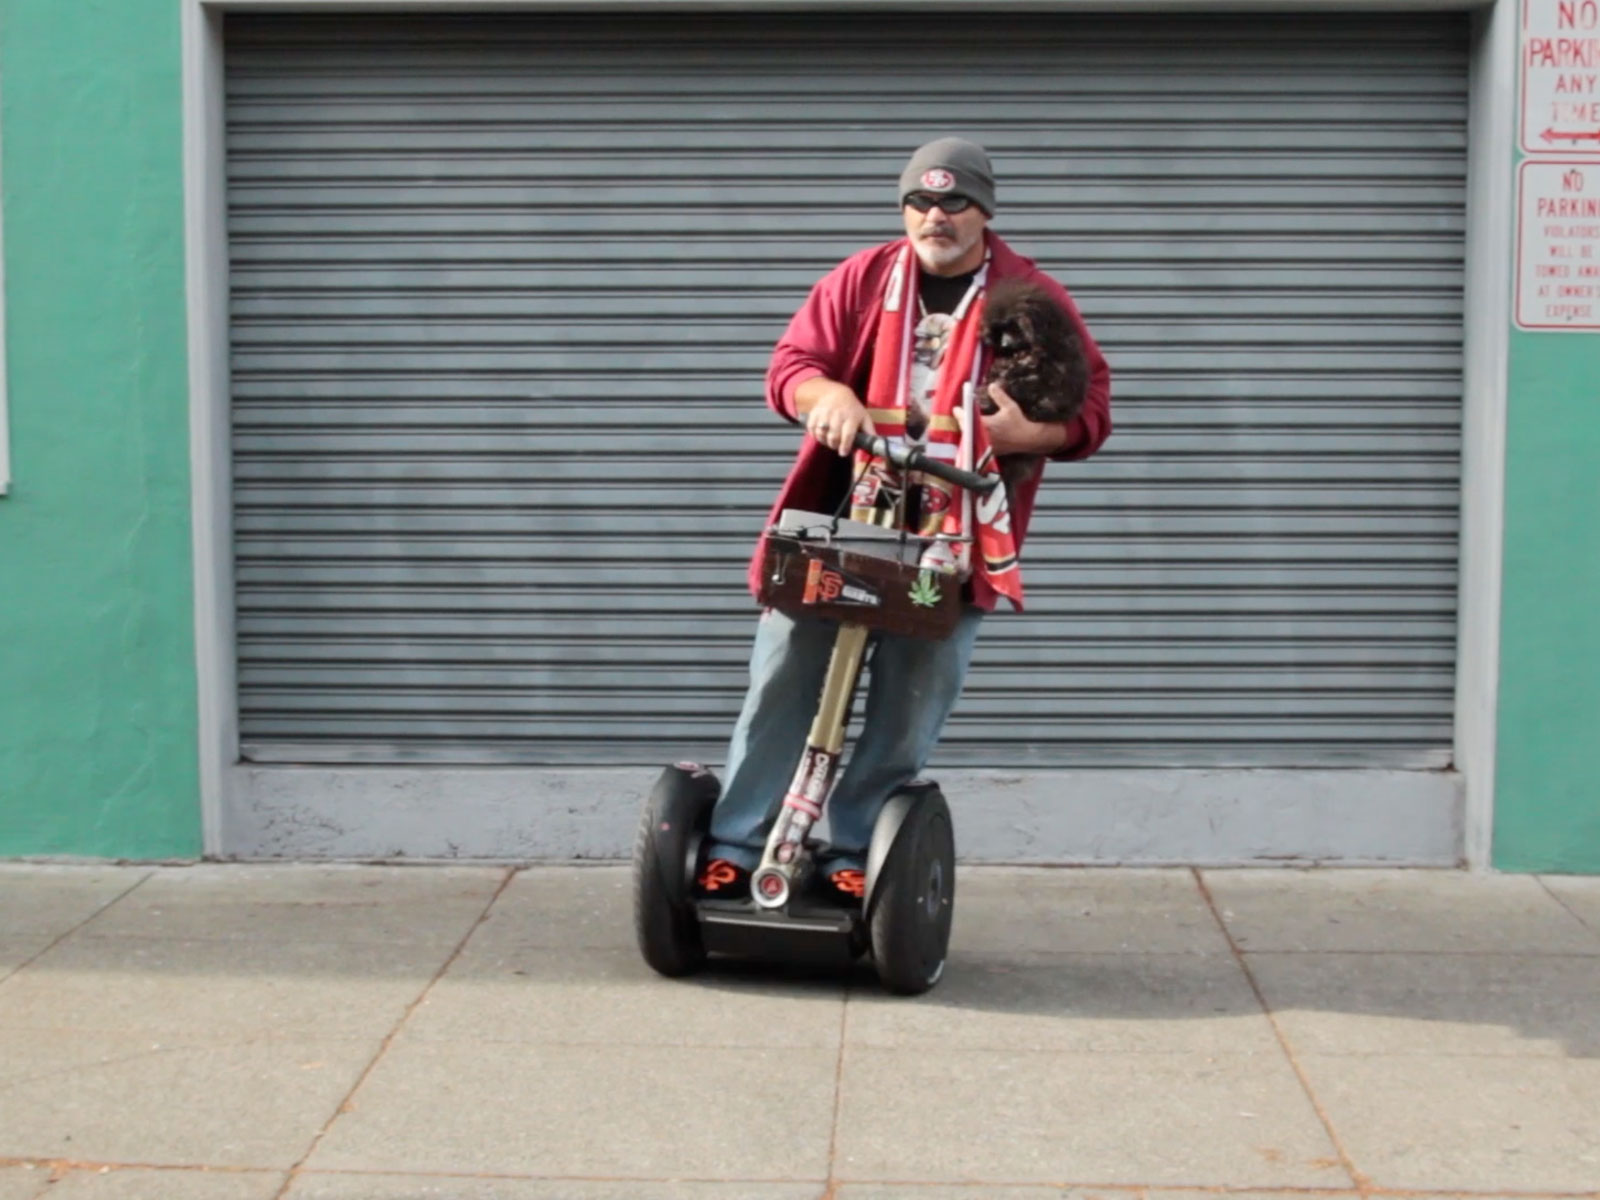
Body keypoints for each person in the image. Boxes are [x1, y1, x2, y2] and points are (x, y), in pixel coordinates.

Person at [697, 137, 1112, 899]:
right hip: (844, 515)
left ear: (984, 210)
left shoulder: (1031, 296)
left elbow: (1093, 411)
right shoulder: (863, 278)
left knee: (912, 692)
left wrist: (1030, 436)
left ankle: (856, 847)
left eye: (954, 202)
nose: (935, 215)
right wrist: (828, 399)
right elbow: (791, 366)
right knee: (787, 670)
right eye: (920, 201)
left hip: (955, 532)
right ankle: (737, 838)